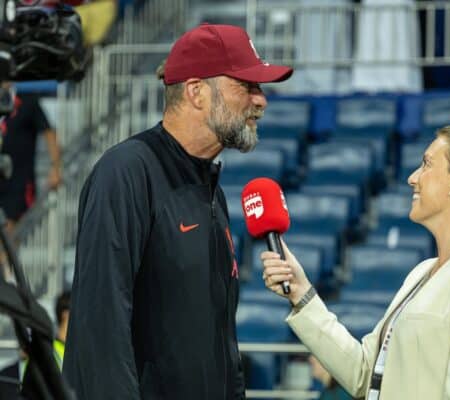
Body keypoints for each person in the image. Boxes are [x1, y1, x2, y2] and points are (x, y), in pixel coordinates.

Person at [63, 23, 292, 399]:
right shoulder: (126, 173)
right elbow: (100, 329)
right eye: (246, 86)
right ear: (196, 91)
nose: (261, 99)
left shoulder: (211, 190)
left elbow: (222, 343)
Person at [262, 125, 450, 399]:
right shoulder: (421, 272)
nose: (412, 177)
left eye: (426, 164)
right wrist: (302, 293)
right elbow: (363, 373)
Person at [0, 87, 62, 233]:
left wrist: (56, 168)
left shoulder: (27, 100)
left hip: (18, 185)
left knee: (8, 237)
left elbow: (49, 132)